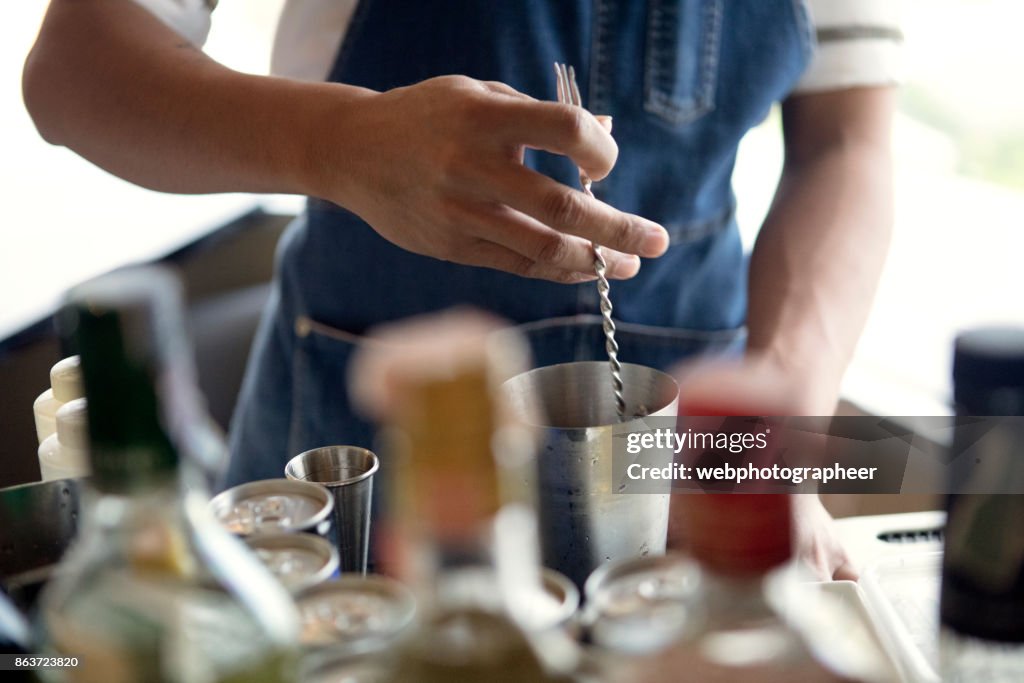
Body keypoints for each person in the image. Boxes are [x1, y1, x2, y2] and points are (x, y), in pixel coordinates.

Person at [23, 0, 901, 579]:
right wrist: (339, 143)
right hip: (360, 454)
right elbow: (75, 71)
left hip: (691, 461)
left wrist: (779, 432)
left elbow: (846, 143)